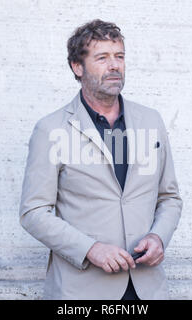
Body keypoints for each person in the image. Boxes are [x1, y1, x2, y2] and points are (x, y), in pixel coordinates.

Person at [19, 19, 183, 300]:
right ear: (77, 67)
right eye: (102, 58)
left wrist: (159, 237)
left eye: (119, 56)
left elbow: (169, 197)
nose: (115, 65)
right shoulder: (51, 129)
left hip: (147, 288)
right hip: (81, 291)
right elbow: (33, 212)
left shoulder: (151, 121)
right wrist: (90, 249)